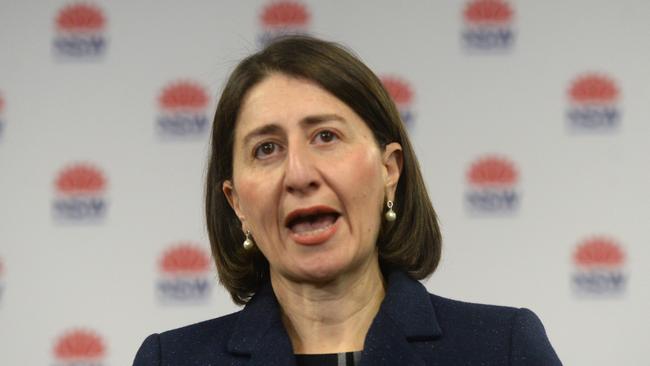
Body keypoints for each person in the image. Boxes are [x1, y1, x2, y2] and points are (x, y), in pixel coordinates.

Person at [133, 36, 562, 366]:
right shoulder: (170, 359)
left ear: (389, 170)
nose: (299, 175)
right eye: (266, 148)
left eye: (326, 136)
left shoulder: (501, 347)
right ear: (237, 202)